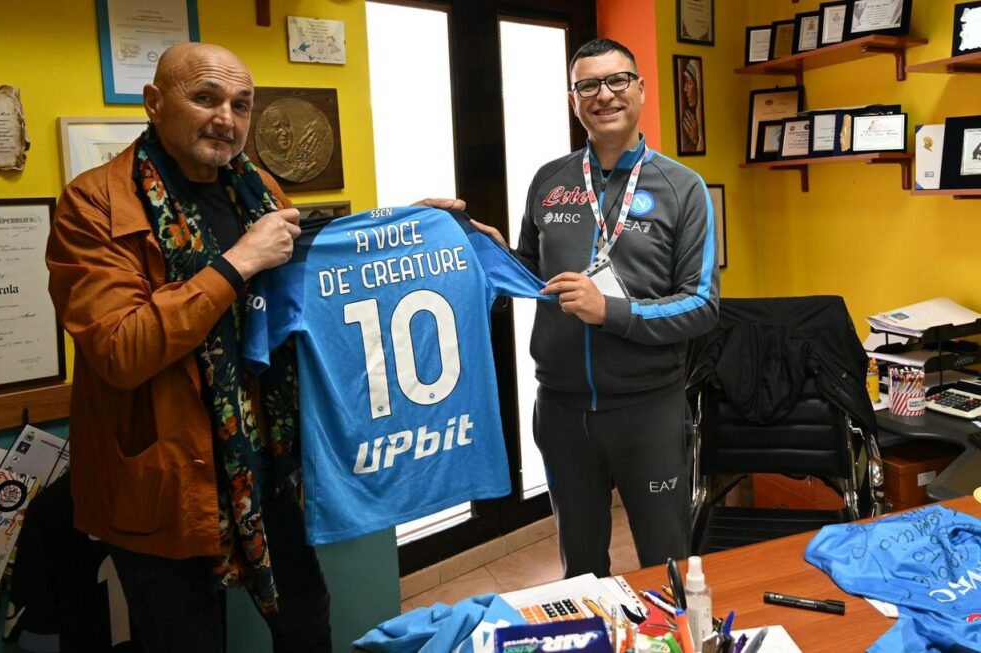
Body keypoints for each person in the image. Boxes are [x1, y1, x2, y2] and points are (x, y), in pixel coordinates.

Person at [46, 42, 463, 652]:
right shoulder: (94, 203)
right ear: (154, 103)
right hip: (162, 485)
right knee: (186, 642)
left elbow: (314, 274)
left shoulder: (257, 187)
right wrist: (237, 263)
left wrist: (405, 230)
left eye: (241, 105)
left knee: (306, 620)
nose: (226, 119)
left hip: (265, 465)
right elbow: (120, 349)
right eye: (206, 98)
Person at [472, 38, 718, 577]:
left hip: (648, 412)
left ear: (641, 89)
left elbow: (702, 305)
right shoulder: (549, 181)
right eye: (588, 85)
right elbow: (532, 274)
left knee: (668, 567)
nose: (604, 95)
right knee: (580, 571)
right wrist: (488, 255)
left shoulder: (683, 188)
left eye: (617, 80)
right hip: (561, 411)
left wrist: (611, 311)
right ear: (573, 99)